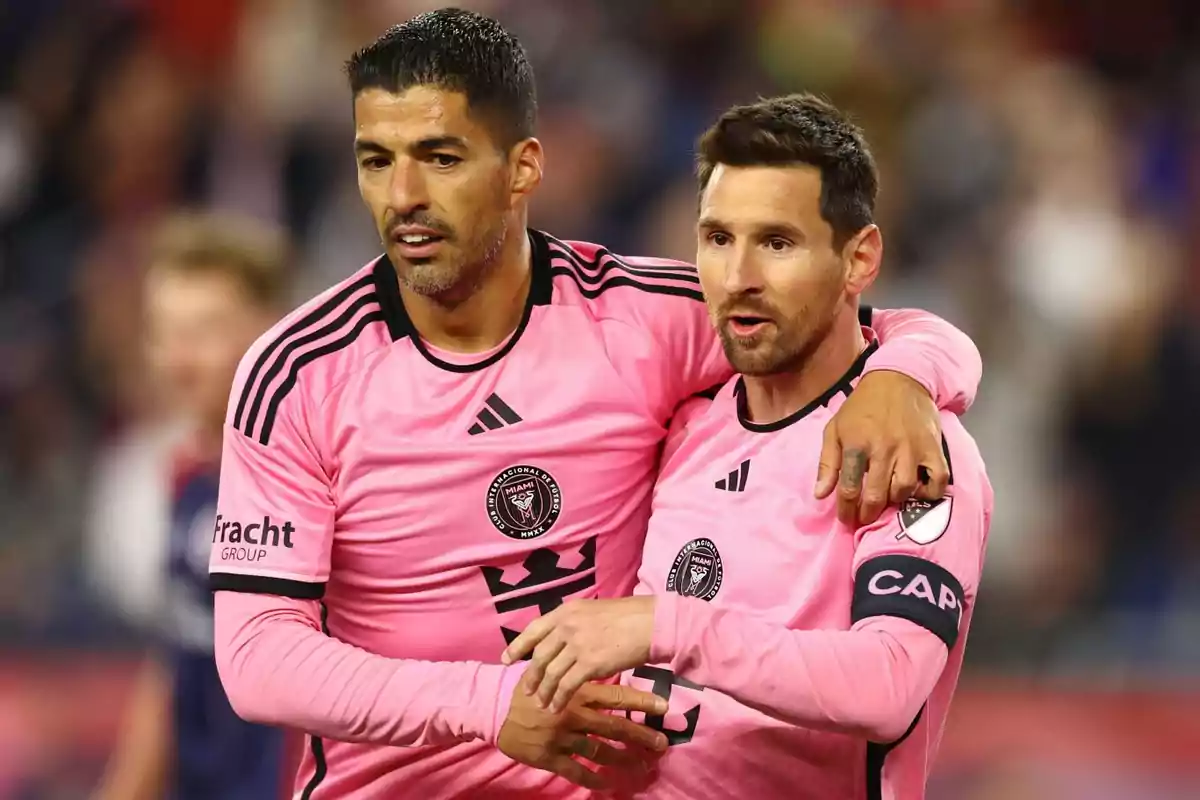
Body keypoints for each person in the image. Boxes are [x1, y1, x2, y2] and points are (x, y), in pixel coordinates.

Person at [210, 9, 982, 798]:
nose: (403, 195)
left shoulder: (644, 319)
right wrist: (488, 705)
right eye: (377, 160)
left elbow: (842, 324)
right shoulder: (299, 373)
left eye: (440, 158)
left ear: (523, 168)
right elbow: (258, 658)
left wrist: (909, 374)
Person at [502, 94, 993, 799]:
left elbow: (886, 685)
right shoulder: (682, 420)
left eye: (778, 242)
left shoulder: (910, 444)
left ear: (859, 259)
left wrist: (666, 626)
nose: (738, 279)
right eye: (718, 238)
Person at [95, 213, 293, 800]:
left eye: (205, 330)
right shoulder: (184, 473)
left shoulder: (310, 479)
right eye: (164, 331)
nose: (179, 358)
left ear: (271, 328)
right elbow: (178, 656)